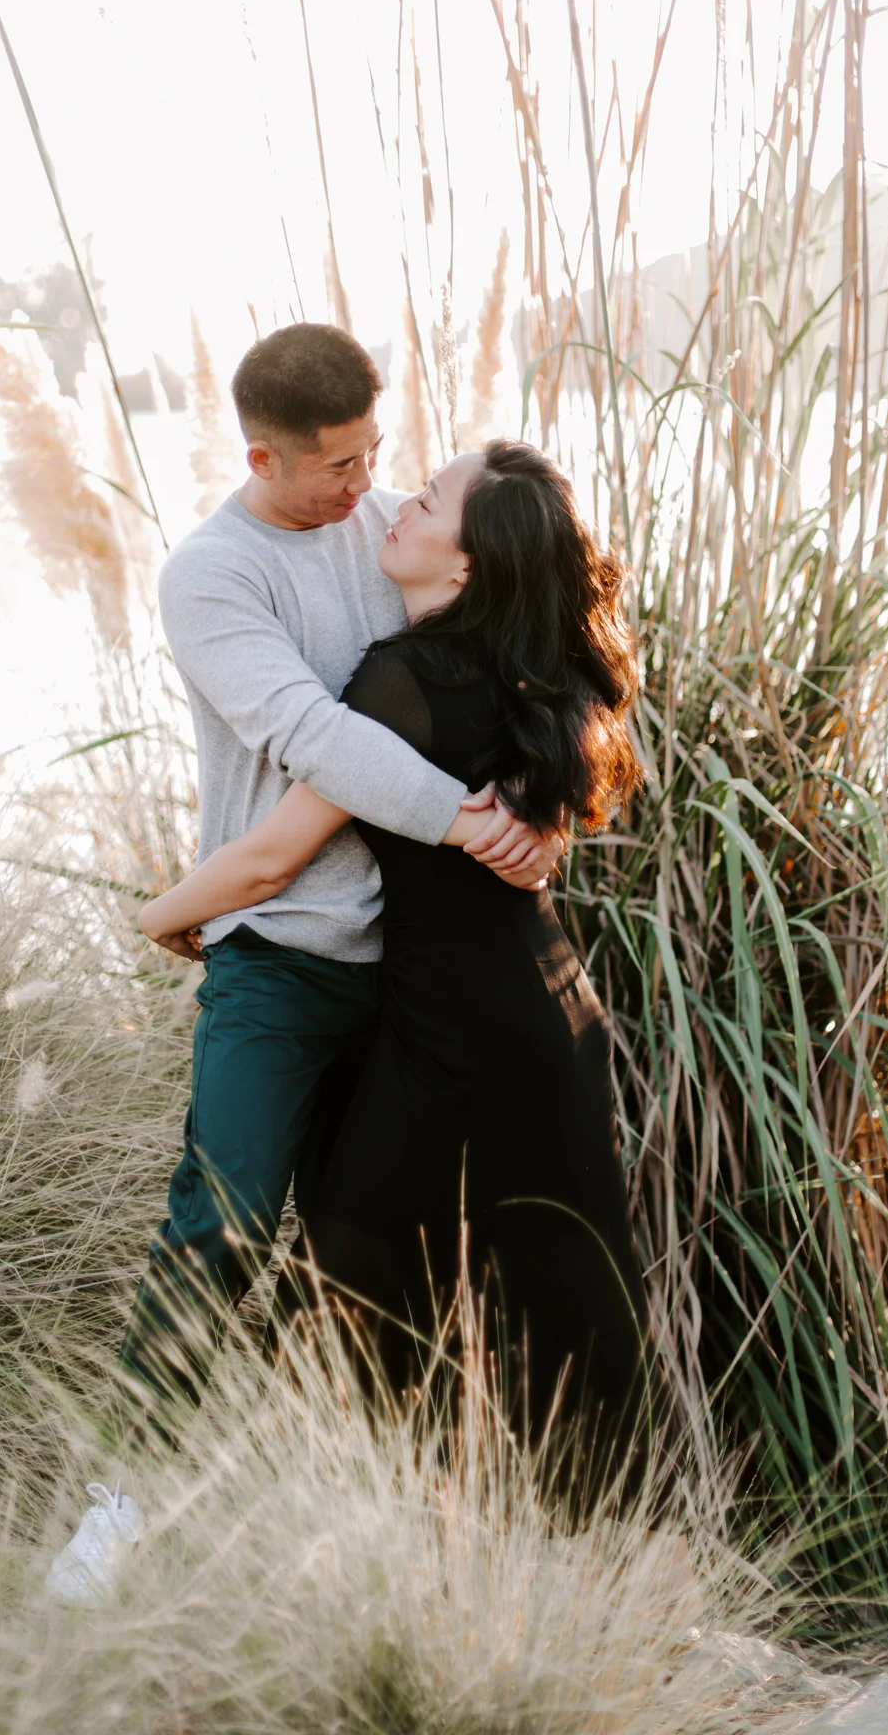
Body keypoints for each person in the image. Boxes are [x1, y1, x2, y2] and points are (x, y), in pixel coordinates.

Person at [47, 326, 563, 1606]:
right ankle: (115, 1509)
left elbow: (521, 632)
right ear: (260, 454)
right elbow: (307, 732)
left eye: (378, 453)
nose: (365, 485)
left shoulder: (391, 525)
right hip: (280, 968)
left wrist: (551, 794)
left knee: (384, 1258)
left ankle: (378, 1519)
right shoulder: (210, 578)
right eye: (337, 465)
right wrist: (460, 815)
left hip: (422, 980)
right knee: (216, 1225)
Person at [132, 438, 648, 1480]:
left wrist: (159, 912)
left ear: (464, 568)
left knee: (342, 1297)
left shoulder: (397, 682)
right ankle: (602, 1558)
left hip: (451, 1033)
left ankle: (286, 1521)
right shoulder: (532, 670)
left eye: (427, 500)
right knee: (571, 1313)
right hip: (555, 1023)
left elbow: (274, 854)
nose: (397, 505)